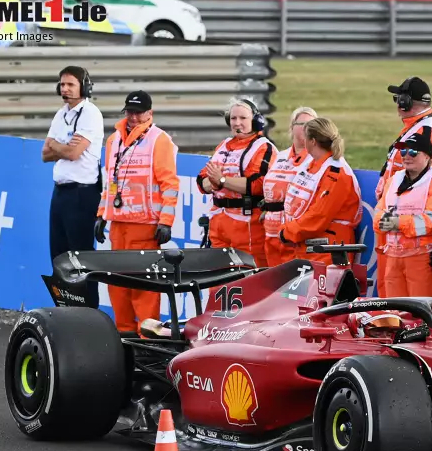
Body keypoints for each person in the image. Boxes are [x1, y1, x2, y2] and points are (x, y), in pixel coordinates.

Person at [95, 91, 179, 335]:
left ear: (149, 113)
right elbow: (110, 181)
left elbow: (170, 184)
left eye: (138, 112)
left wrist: (166, 221)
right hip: (118, 226)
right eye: (130, 112)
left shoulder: (159, 140)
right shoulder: (113, 141)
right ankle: (124, 338)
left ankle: (148, 342)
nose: (133, 117)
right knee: (118, 287)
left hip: (145, 226)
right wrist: (101, 214)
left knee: (145, 288)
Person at [374, 77, 432, 296]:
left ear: (408, 101)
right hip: (398, 237)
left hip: (416, 242)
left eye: (399, 97)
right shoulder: (418, 127)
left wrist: (398, 222)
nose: (397, 102)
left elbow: (427, 182)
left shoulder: (425, 132)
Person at [42, 65, 104, 308]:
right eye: (62, 84)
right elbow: (44, 154)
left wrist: (59, 146)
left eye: (70, 84)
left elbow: (74, 151)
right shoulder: (61, 114)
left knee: (80, 259)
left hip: (82, 194)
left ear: (84, 87)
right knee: (58, 257)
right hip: (61, 192)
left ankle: (88, 312)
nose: (64, 89)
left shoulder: (90, 113)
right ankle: (65, 309)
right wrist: (62, 147)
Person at [196, 97, 276, 267]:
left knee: (249, 278)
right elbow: (202, 180)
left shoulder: (263, 147)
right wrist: (215, 182)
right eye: (233, 118)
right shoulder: (224, 145)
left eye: (243, 118)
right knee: (217, 280)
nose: (237, 123)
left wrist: (222, 180)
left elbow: (257, 184)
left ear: (254, 121)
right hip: (218, 224)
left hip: (248, 226)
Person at [279, 117, 362, 266]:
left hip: (329, 249)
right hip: (309, 245)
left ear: (312, 141)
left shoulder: (337, 173)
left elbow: (319, 216)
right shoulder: (313, 164)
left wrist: (288, 231)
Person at [261, 106, 317, 267]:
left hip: (294, 234)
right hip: (271, 232)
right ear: (292, 127)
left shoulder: (315, 158)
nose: (308, 129)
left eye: (312, 124)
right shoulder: (281, 156)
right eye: (302, 124)